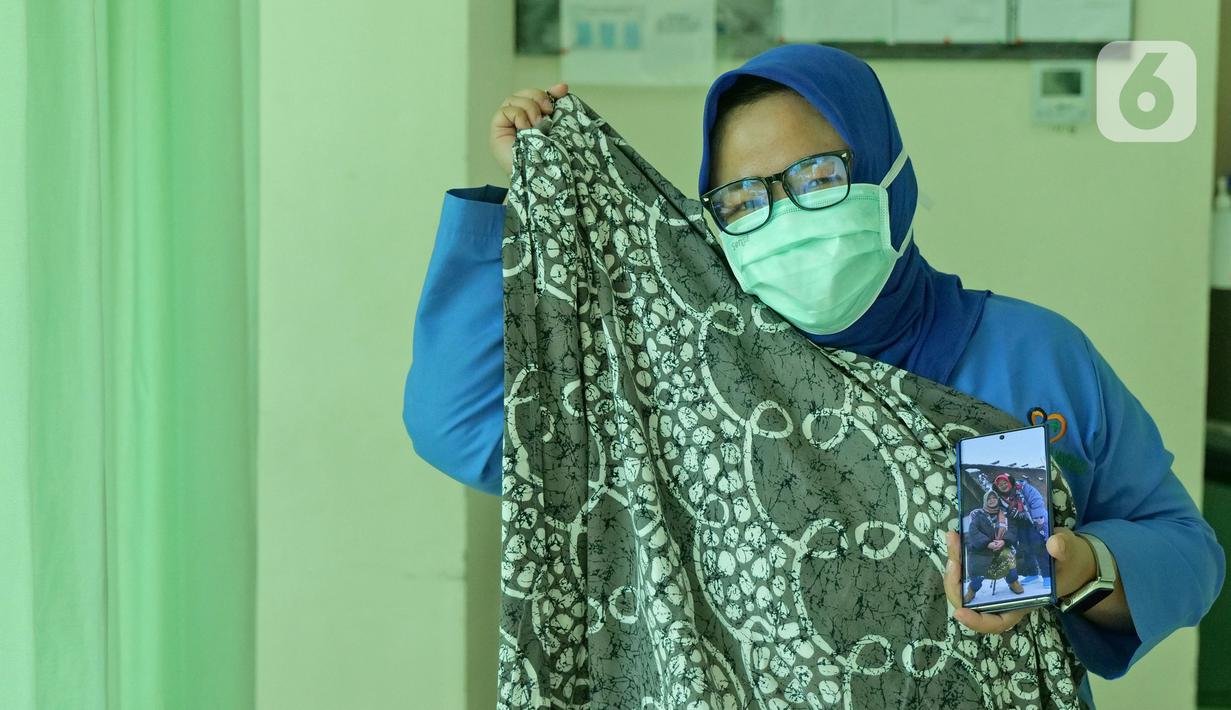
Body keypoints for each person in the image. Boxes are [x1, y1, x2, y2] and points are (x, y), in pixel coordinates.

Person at [401, 44, 1224, 708]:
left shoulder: (1024, 356)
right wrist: (525, 200)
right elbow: (465, 423)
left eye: (819, 177)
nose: (782, 214)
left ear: (887, 177)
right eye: (742, 199)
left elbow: (1185, 553)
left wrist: (1077, 566)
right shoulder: (692, 384)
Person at [965, 491, 1025, 604]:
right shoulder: (978, 516)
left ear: (997, 500)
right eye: (989, 499)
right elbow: (973, 532)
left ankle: (1013, 582)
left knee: (1009, 560)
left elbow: (1012, 530)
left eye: (994, 498)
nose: (992, 500)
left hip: (1003, 547)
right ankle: (972, 590)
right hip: (982, 550)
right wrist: (987, 543)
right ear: (985, 501)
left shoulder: (1005, 515)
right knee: (977, 573)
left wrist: (1004, 541)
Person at [992, 471, 1048, 581]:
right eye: (1000, 484)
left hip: (1033, 522)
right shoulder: (1000, 499)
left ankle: (1047, 575)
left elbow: (1036, 501)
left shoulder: (1023, 488)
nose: (1003, 486)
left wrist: (1037, 518)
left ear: (1010, 482)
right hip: (1019, 526)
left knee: (1038, 545)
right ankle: (1033, 574)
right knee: (1024, 548)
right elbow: (1001, 514)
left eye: (1005, 482)